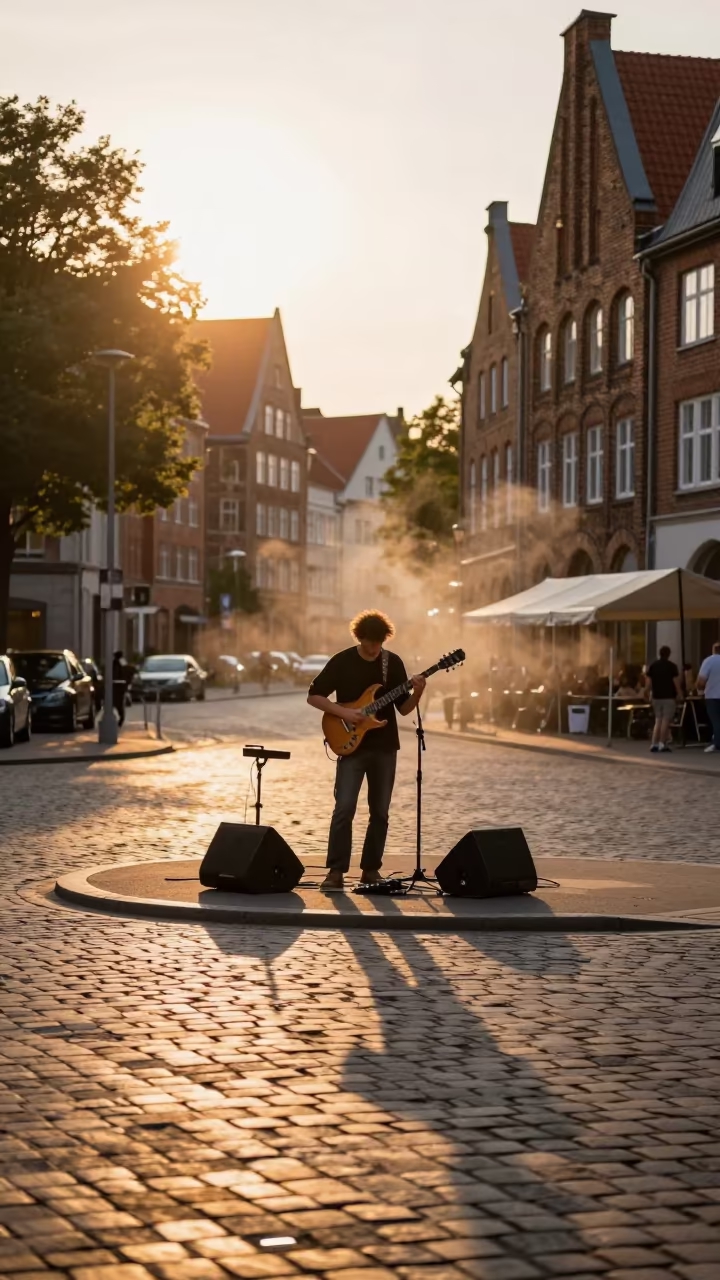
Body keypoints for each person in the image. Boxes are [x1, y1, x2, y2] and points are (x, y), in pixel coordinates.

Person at [307, 609, 426, 892]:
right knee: (344, 808)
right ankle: (335, 872)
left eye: (379, 643)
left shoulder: (391, 662)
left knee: (380, 812)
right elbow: (314, 696)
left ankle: (371, 871)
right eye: (369, 643)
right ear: (359, 638)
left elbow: (404, 708)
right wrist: (346, 714)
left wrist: (418, 691)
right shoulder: (342, 661)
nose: (374, 648)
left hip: (385, 747)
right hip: (351, 746)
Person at [644, 645, 681, 753]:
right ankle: (662, 743)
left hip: (656, 696)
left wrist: (645, 692)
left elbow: (648, 683)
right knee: (666, 720)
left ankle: (654, 743)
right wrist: (680, 694)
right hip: (669, 696)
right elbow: (676, 682)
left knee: (658, 720)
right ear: (668, 654)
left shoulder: (653, 666)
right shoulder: (672, 666)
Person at [697, 641, 720, 753]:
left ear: (714, 650)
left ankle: (717, 743)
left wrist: (699, 688)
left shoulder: (709, 661)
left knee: (715, 720)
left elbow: (701, 680)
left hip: (712, 695)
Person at [112, 650, 130, 727]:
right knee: (116, 703)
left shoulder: (121, 662)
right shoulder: (117, 662)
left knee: (118, 703)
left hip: (119, 686)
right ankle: (119, 718)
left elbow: (125, 673)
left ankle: (121, 719)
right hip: (116, 685)